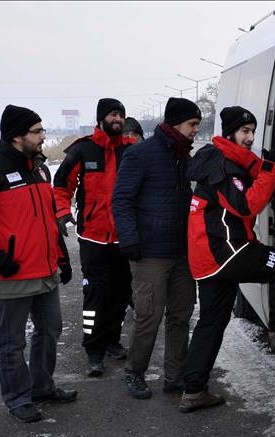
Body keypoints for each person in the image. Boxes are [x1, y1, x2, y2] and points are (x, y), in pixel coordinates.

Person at [0, 105, 76, 423]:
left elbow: (48, 220)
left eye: (42, 130)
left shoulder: (40, 170)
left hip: (44, 270)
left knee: (50, 330)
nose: (43, 136)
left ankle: (42, 386)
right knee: (11, 341)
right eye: (37, 131)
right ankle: (18, 398)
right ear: (18, 136)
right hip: (10, 274)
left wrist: (61, 258)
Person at [179, 106, 275, 413]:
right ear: (230, 132)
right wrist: (272, 168)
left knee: (212, 322)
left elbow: (247, 180)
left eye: (253, 131)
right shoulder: (222, 167)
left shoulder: (221, 159)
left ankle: (193, 390)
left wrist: (263, 166)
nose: (250, 137)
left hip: (210, 259)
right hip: (227, 254)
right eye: (245, 131)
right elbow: (246, 205)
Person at [112, 97, 199, 399]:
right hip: (149, 252)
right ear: (176, 123)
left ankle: (175, 376)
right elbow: (121, 200)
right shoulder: (140, 154)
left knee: (181, 315)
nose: (195, 130)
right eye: (192, 124)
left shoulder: (184, 156)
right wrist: (129, 240)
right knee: (149, 317)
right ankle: (134, 372)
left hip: (182, 252)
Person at [53, 99, 136, 377]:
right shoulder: (82, 149)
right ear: (101, 119)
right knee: (96, 294)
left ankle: (112, 340)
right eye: (113, 114)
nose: (117, 119)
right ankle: (94, 349)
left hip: (123, 237)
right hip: (93, 237)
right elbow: (61, 184)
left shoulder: (131, 150)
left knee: (121, 292)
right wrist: (62, 211)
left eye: (121, 115)